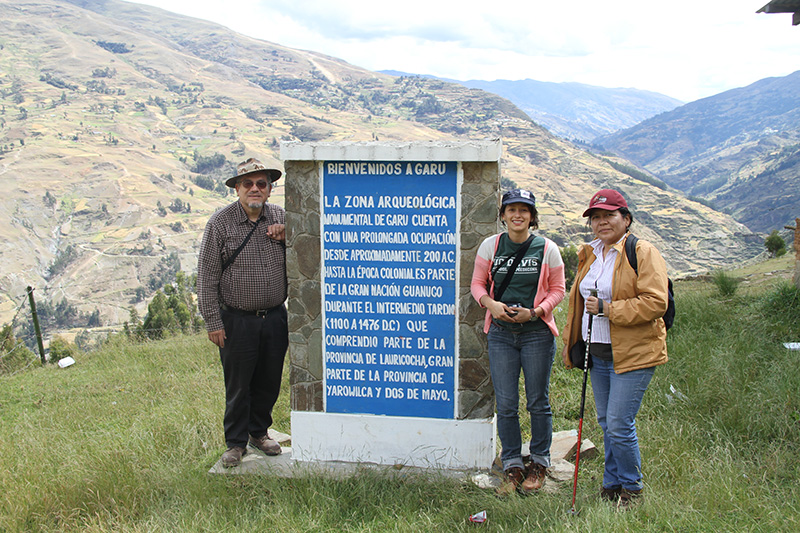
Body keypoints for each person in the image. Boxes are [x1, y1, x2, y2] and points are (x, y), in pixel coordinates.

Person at [561, 188, 669, 508]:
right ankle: (611, 483)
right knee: (607, 422)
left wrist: (608, 310)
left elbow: (655, 302)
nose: (602, 223)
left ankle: (632, 490)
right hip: (599, 352)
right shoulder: (590, 253)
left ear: (626, 219)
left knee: (620, 424)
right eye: (596, 218)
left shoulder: (642, 251)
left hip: (633, 352)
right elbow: (578, 303)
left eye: (609, 216)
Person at [470, 188, 566, 496]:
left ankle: (538, 462)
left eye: (524, 210)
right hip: (500, 334)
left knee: (538, 401)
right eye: (512, 209)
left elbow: (558, 289)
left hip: (536, 333)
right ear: (503, 215)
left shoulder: (547, 249)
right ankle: (512, 464)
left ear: (532, 216)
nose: (517, 215)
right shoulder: (490, 246)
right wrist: (491, 304)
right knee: (508, 403)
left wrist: (537, 311)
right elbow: (477, 284)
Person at [197, 157, 289, 468]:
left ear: (270, 189)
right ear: (237, 188)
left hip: (275, 317)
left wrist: (289, 235)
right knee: (238, 384)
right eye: (247, 183)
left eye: (261, 184)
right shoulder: (220, 224)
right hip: (236, 320)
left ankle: (258, 432)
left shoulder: (279, 217)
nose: (254, 188)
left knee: (269, 380)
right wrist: (213, 321)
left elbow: (307, 247)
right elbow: (207, 276)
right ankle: (235, 443)